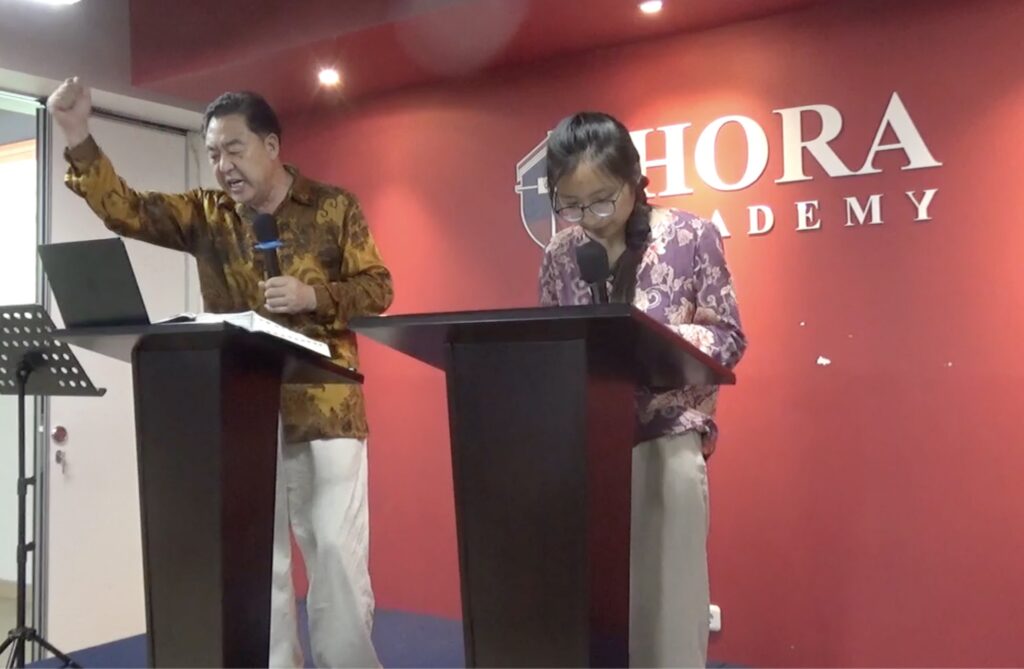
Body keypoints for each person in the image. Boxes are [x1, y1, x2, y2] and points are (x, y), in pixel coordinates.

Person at [46, 77, 392, 668]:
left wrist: (314, 295)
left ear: (271, 146)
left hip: (325, 408)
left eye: (234, 148)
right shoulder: (207, 214)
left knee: (336, 557)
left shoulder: (333, 207)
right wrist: (76, 133)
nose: (223, 165)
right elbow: (126, 209)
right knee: (261, 565)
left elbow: (378, 287)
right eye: (212, 154)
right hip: (243, 414)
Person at [538, 111, 747, 668]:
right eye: (571, 205)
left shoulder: (690, 236)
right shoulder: (559, 254)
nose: (589, 219)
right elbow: (550, 341)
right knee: (597, 611)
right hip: (586, 452)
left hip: (666, 441)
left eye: (602, 200)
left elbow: (729, 338)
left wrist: (652, 339)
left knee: (669, 608)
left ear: (635, 180)